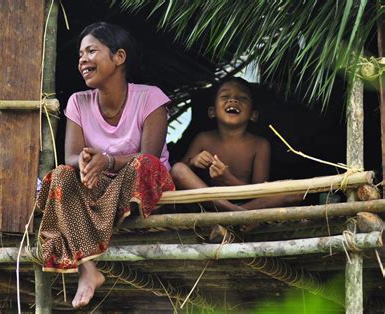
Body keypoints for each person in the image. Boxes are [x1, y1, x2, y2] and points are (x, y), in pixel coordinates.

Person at [36, 22, 174, 308]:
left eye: (91, 51)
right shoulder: (78, 102)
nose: (82, 60)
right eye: (80, 55)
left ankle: (89, 228)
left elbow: (149, 156)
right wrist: (85, 161)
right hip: (96, 187)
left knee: (145, 165)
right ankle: (88, 268)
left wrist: (108, 161)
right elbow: (71, 156)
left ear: (119, 57)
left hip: (137, 185)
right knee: (62, 175)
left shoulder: (151, 98)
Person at [170, 77, 301, 211]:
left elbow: (260, 192)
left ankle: (232, 214)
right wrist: (193, 161)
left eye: (242, 98)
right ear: (212, 112)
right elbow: (178, 175)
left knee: (295, 192)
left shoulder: (260, 145)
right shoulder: (203, 139)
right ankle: (234, 213)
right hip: (211, 204)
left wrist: (227, 178)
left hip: (248, 203)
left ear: (253, 115)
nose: (233, 100)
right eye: (225, 96)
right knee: (177, 168)